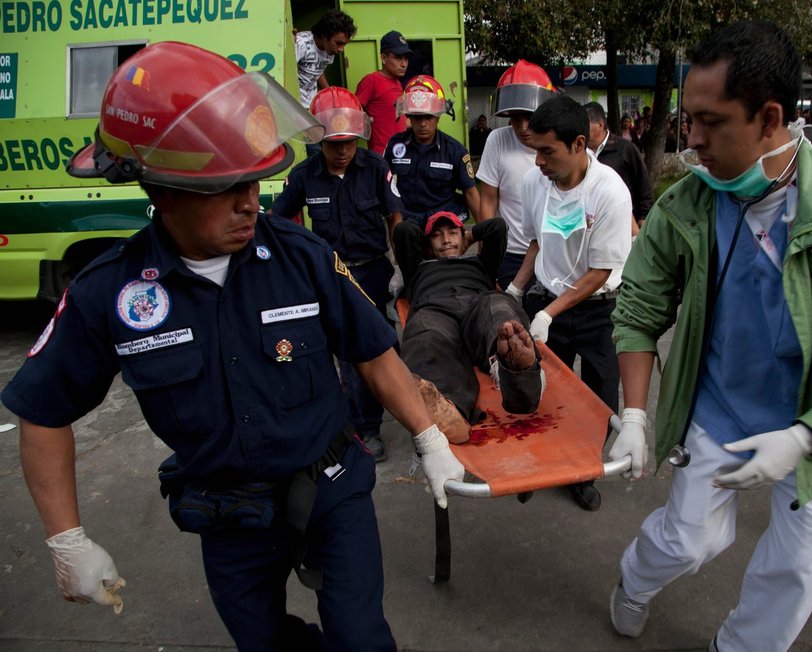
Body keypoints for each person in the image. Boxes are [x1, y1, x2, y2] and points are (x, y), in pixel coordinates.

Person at [0, 42, 464, 651]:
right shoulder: (109, 292)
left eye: (255, 180)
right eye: (226, 188)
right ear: (161, 192)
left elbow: (372, 352)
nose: (252, 201)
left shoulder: (301, 258)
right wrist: (66, 538)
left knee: (361, 638)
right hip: (227, 510)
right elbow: (43, 412)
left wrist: (427, 436)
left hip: (329, 485)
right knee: (263, 642)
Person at [606, 22, 812, 650]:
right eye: (688, 118)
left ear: (770, 116)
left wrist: (810, 435)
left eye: (710, 121)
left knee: (792, 569)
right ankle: (633, 584)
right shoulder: (687, 207)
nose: (692, 139)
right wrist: (636, 415)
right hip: (719, 412)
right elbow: (641, 305)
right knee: (687, 538)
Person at [508, 94, 633, 512]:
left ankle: (583, 471)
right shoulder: (534, 183)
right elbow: (536, 241)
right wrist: (516, 290)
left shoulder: (610, 192)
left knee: (598, 400)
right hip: (548, 301)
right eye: (535, 151)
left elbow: (599, 271)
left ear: (579, 145)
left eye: (547, 151)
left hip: (599, 310)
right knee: (542, 391)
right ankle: (542, 465)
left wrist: (548, 312)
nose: (539, 162)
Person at [271, 86, 402, 462]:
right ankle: (365, 428)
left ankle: (395, 411)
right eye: (334, 143)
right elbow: (278, 222)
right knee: (346, 354)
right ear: (319, 139)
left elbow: (395, 219)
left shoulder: (376, 168)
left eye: (348, 142)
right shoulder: (303, 177)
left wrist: (402, 268)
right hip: (332, 276)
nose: (343, 150)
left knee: (384, 347)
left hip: (375, 272)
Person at [393, 211, 545, 443]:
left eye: (452, 233)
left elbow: (497, 227)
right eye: (437, 236)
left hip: (479, 305)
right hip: (435, 309)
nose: (446, 240)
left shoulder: (480, 263)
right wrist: (433, 241)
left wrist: (468, 236)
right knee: (425, 337)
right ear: (426, 244)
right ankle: (449, 409)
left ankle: (516, 370)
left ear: (464, 237)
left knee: (500, 312)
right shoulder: (418, 267)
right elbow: (404, 232)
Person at [476, 59, 556, 288]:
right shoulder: (497, 140)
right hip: (510, 254)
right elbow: (489, 199)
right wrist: (487, 253)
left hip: (553, 255)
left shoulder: (564, 145)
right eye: (514, 118)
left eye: (529, 118)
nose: (522, 127)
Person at [385, 75, 481, 226]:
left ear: (438, 116)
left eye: (428, 117)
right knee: (403, 230)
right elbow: (384, 187)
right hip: (409, 221)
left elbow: (470, 192)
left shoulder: (455, 151)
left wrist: (483, 233)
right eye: (417, 117)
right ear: (409, 116)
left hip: (444, 221)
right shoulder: (395, 145)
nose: (423, 124)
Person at [584, 102, 653, 233]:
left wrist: (643, 217)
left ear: (600, 125)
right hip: (589, 223)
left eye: (585, 125)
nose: (580, 130)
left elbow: (643, 185)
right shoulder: (579, 151)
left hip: (623, 222)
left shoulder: (625, 149)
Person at [355, 30, 411, 154]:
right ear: (384, 58)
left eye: (406, 59)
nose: (403, 64)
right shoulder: (372, 81)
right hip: (382, 155)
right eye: (397, 58)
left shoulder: (398, 83)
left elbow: (399, 120)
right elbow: (353, 114)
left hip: (401, 152)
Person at [294, 10, 356, 110]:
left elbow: (318, 69)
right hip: (294, 106)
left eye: (344, 44)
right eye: (338, 43)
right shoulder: (301, 44)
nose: (341, 49)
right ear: (324, 35)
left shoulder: (330, 49)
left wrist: (329, 92)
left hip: (310, 106)